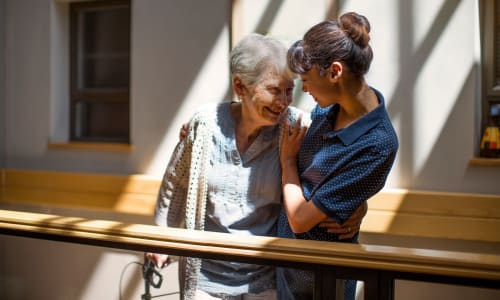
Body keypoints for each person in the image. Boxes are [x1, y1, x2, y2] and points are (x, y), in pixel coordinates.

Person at [146, 33, 367, 300]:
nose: (284, 102)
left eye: (289, 90)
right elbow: (177, 183)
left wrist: (356, 207)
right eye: (274, 90)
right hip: (205, 278)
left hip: (266, 281)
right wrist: (161, 237)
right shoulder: (205, 124)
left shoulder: (297, 127)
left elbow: (337, 172)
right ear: (241, 87)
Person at [278, 12, 399, 300]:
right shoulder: (326, 108)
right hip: (287, 269)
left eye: (306, 80)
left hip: (322, 281)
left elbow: (299, 219)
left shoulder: (378, 143)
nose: (304, 89)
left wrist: (287, 162)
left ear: (334, 72)